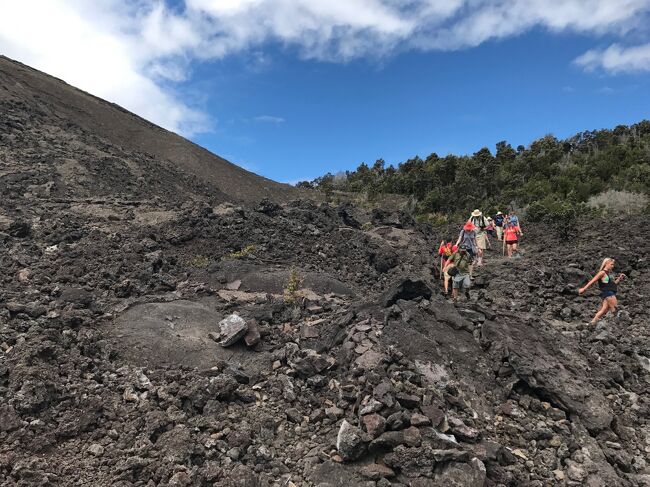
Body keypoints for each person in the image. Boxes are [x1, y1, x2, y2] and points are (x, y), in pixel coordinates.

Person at [579, 258, 626, 325]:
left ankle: (591, 323)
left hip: (609, 293)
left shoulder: (607, 273)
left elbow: (612, 284)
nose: (612, 266)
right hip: (609, 294)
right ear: (606, 263)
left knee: (604, 310)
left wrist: (619, 279)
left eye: (613, 265)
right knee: (615, 310)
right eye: (611, 264)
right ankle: (617, 326)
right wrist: (584, 289)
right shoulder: (602, 273)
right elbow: (592, 281)